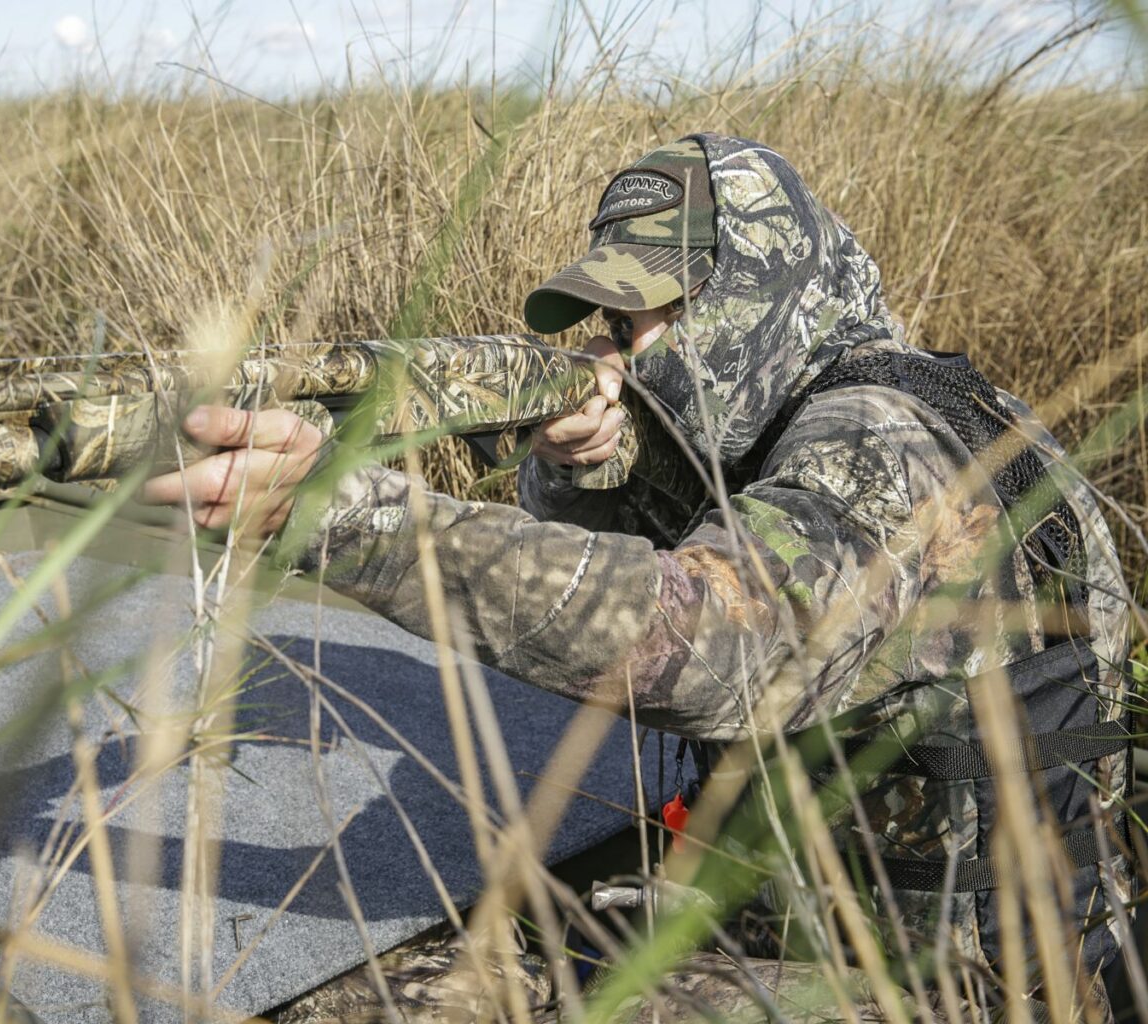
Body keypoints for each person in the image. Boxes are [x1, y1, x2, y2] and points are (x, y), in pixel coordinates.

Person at [140, 134, 1136, 1021]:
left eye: (651, 315)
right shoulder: (857, 408)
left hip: (961, 989)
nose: (622, 349)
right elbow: (704, 551)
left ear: (759, 294)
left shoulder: (879, 439)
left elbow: (708, 646)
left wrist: (346, 515)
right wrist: (592, 467)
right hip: (820, 937)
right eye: (612, 325)